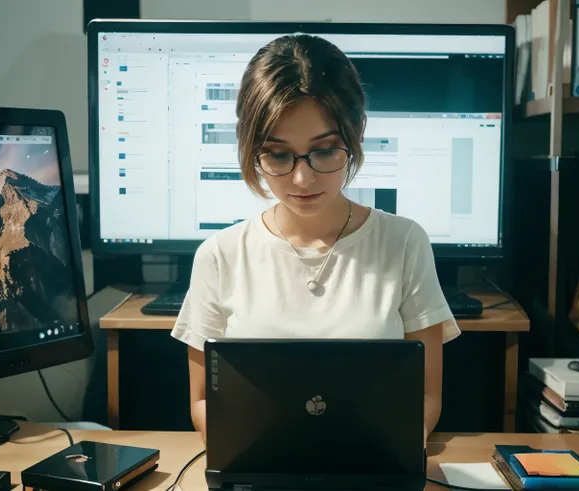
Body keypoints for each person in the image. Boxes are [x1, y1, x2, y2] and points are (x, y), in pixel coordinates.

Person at [171, 33, 461, 442]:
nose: (302, 179)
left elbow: (427, 395)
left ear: (357, 130)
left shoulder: (404, 243)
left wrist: (384, 453)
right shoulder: (220, 255)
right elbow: (202, 402)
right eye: (277, 154)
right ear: (252, 147)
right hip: (260, 470)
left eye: (325, 151)